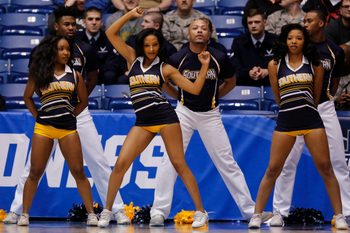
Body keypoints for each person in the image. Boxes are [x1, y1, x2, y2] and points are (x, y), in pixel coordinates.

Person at [3, 6, 130, 225]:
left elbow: (91, 79)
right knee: (32, 168)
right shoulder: (42, 51)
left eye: (73, 24)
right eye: (67, 24)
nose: (71, 28)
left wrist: (74, 105)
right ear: (56, 26)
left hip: (77, 114)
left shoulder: (85, 49)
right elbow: (33, 86)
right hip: (49, 117)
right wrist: (41, 114)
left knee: (98, 161)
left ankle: (115, 209)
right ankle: (17, 210)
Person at [149, 16, 272, 227]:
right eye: (195, 28)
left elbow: (231, 81)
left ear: (209, 33)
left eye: (203, 28)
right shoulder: (177, 57)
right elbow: (163, 82)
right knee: (169, 160)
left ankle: (250, 210)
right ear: (188, 32)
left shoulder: (219, 57)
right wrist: (177, 97)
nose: (199, 31)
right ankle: (158, 211)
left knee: (227, 161)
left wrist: (216, 97)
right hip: (183, 113)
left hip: (210, 114)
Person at [98, 7, 210, 228]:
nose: (151, 49)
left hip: (165, 117)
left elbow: (195, 90)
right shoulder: (132, 59)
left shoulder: (166, 68)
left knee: (179, 164)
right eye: (147, 45)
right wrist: (131, 15)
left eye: (155, 45)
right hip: (143, 121)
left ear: (160, 46)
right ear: (142, 45)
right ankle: (107, 211)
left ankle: (201, 212)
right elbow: (110, 33)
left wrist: (204, 66)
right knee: (120, 164)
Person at [247, 23, 348, 230]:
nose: (294, 41)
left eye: (299, 38)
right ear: (285, 40)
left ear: (305, 41)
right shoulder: (275, 64)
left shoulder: (315, 63)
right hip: (286, 121)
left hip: (311, 120)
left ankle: (339, 216)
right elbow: (278, 96)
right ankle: (257, 215)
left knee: (326, 168)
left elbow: (316, 94)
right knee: (273, 169)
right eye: (290, 38)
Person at [18, 35, 97, 226]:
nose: (65, 53)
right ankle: (24, 214)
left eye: (67, 49)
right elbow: (28, 97)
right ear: (52, 51)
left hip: (67, 129)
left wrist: (72, 115)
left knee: (78, 171)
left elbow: (83, 101)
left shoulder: (75, 74)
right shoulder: (40, 73)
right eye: (61, 49)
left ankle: (91, 214)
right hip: (44, 128)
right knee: (35, 171)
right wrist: (38, 116)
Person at [77, 7, 127, 84]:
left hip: (104, 75)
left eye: (97, 19)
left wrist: (98, 69)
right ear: (84, 22)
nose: (94, 22)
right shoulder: (77, 38)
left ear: (102, 22)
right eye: (90, 19)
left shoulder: (109, 38)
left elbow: (114, 62)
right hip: (83, 73)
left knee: (110, 74)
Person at [231, 8, 277, 86]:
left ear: (264, 22)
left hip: (271, 85)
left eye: (257, 22)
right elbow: (235, 68)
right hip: (246, 85)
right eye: (250, 23)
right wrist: (248, 72)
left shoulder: (276, 41)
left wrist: (268, 71)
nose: (253, 25)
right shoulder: (238, 42)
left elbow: (282, 65)